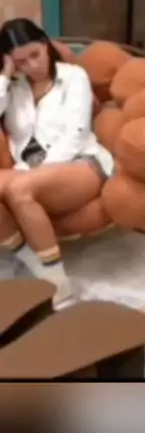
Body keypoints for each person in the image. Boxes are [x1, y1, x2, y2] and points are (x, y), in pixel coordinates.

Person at [0, 18, 114, 306]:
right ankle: (33, 264)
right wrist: (5, 76)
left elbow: (76, 135)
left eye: (35, 54)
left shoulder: (74, 77)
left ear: (45, 44)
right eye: (21, 61)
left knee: (19, 189)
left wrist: (36, 175)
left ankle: (59, 286)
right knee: (18, 186)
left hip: (80, 164)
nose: (32, 66)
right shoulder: (14, 87)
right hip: (29, 171)